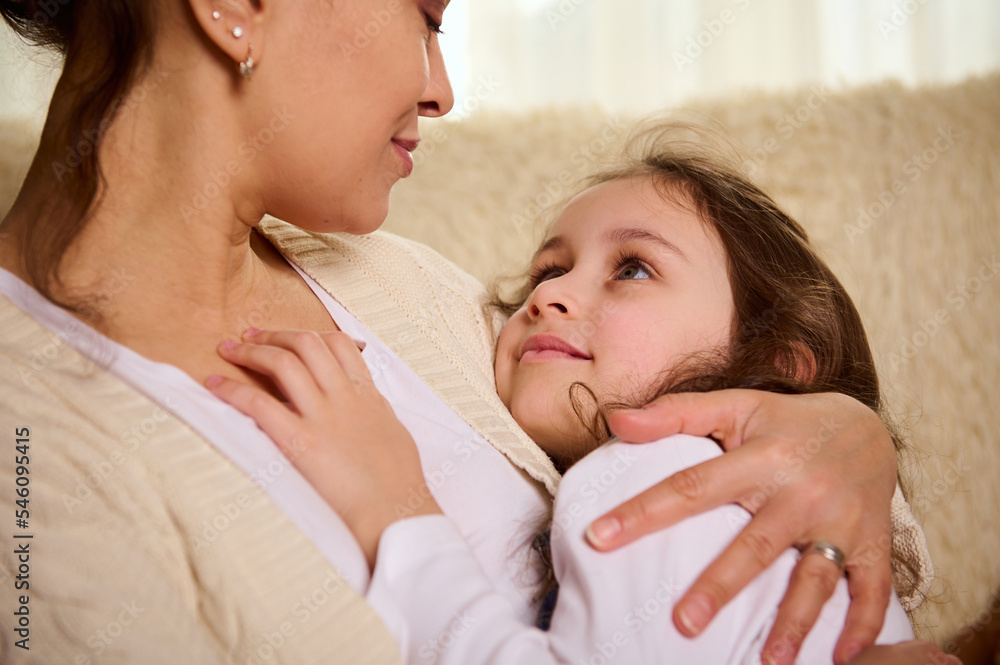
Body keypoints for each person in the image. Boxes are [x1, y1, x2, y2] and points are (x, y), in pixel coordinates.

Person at [0, 1, 942, 664]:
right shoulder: (32, 463)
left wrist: (839, 434)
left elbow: (671, 405)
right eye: (428, 15)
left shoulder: (403, 286)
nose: (442, 89)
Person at [208, 122, 929, 663]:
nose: (550, 296)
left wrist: (392, 508)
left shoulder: (660, 476)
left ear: (774, 360)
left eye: (634, 268)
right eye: (547, 270)